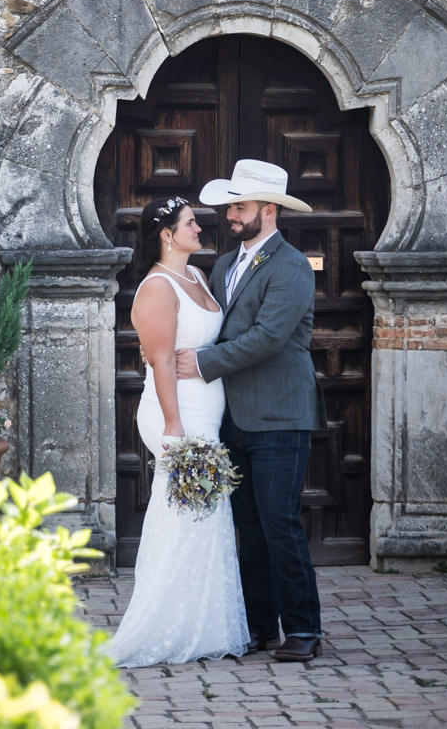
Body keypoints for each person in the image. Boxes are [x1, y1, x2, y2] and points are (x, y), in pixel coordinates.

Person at [175, 158, 325, 664]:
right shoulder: (223, 265)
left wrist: (200, 363)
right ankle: (260, 627)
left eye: (238, 206)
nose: (229, 215)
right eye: (229, 206)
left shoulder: (292, 266)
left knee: (280, 521)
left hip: (282, 414)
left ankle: (304, 630)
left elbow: (267, 338)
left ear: (269, 209)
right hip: (233, 417)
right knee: (250, 526)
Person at [105, 196, 248, 667]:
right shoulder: (157, 287)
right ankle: (163, 624)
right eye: (191, 224)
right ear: (167, 234)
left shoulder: (198, 277)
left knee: (205, 519)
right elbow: (161, 359)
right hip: (176, 414)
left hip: (206, 411)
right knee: (183, 516)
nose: (200, 230)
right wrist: (174, 427)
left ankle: (205, 623)